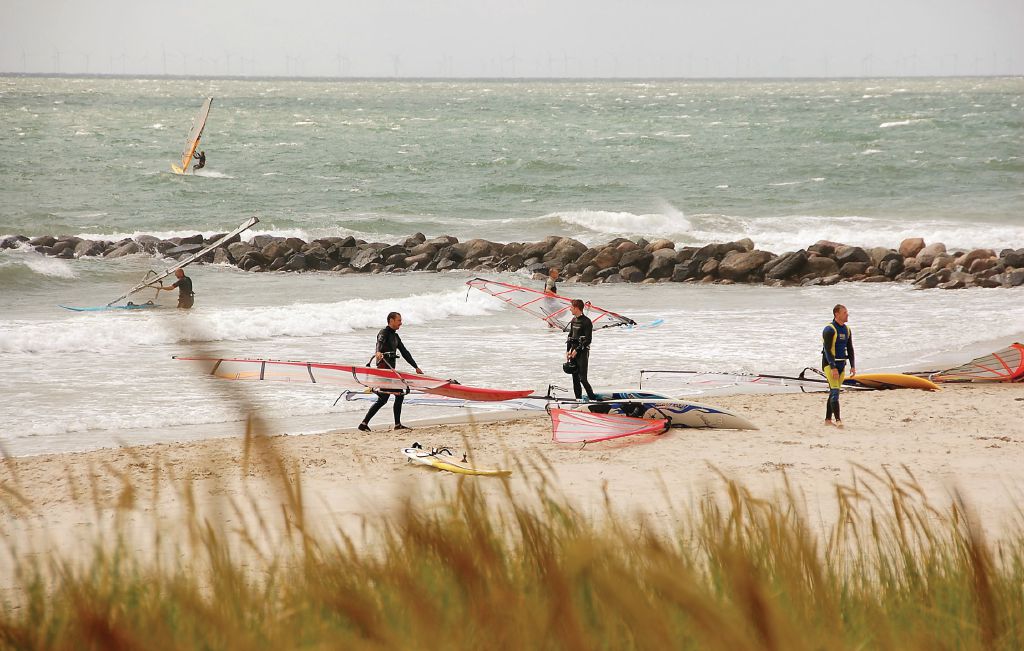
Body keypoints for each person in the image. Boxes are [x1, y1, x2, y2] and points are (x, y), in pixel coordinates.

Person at [359, 312, 424, 432]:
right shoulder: (383, 332)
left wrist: (416, 367)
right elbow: (379, 342)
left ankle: (364, 424)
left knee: (384, 399)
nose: (401, 323)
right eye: (399, 320)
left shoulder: (395, 337)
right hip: (384, 371)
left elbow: (405, 352)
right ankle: (397, 424)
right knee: (399, 394)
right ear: (391, 320)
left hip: (390, 372)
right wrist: (378, 352)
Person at [821, 303, 856, 428]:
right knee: (835, 391)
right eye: (845, 312)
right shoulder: (829, 329)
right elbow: (827, 350)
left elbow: (850, 348)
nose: (847, 315)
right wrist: (833, 367)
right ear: (837, 314)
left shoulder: (847, 329)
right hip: (829, 364)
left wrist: (852, 365)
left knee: (833, 392)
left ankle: (827, 420)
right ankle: (838, 420)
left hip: (842, 364)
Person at [565, 298, 595, 401]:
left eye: (571, 307)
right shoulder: (573, 320)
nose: (570, 309)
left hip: (582, 352)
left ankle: (593, 399)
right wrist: (568, 350)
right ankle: (578, 399)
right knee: (575, 378)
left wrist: (576, 350)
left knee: (582, 379)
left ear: (577, 308)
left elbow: (588, 340)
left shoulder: (587, 322)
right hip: (573, 352)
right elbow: (570, 336)